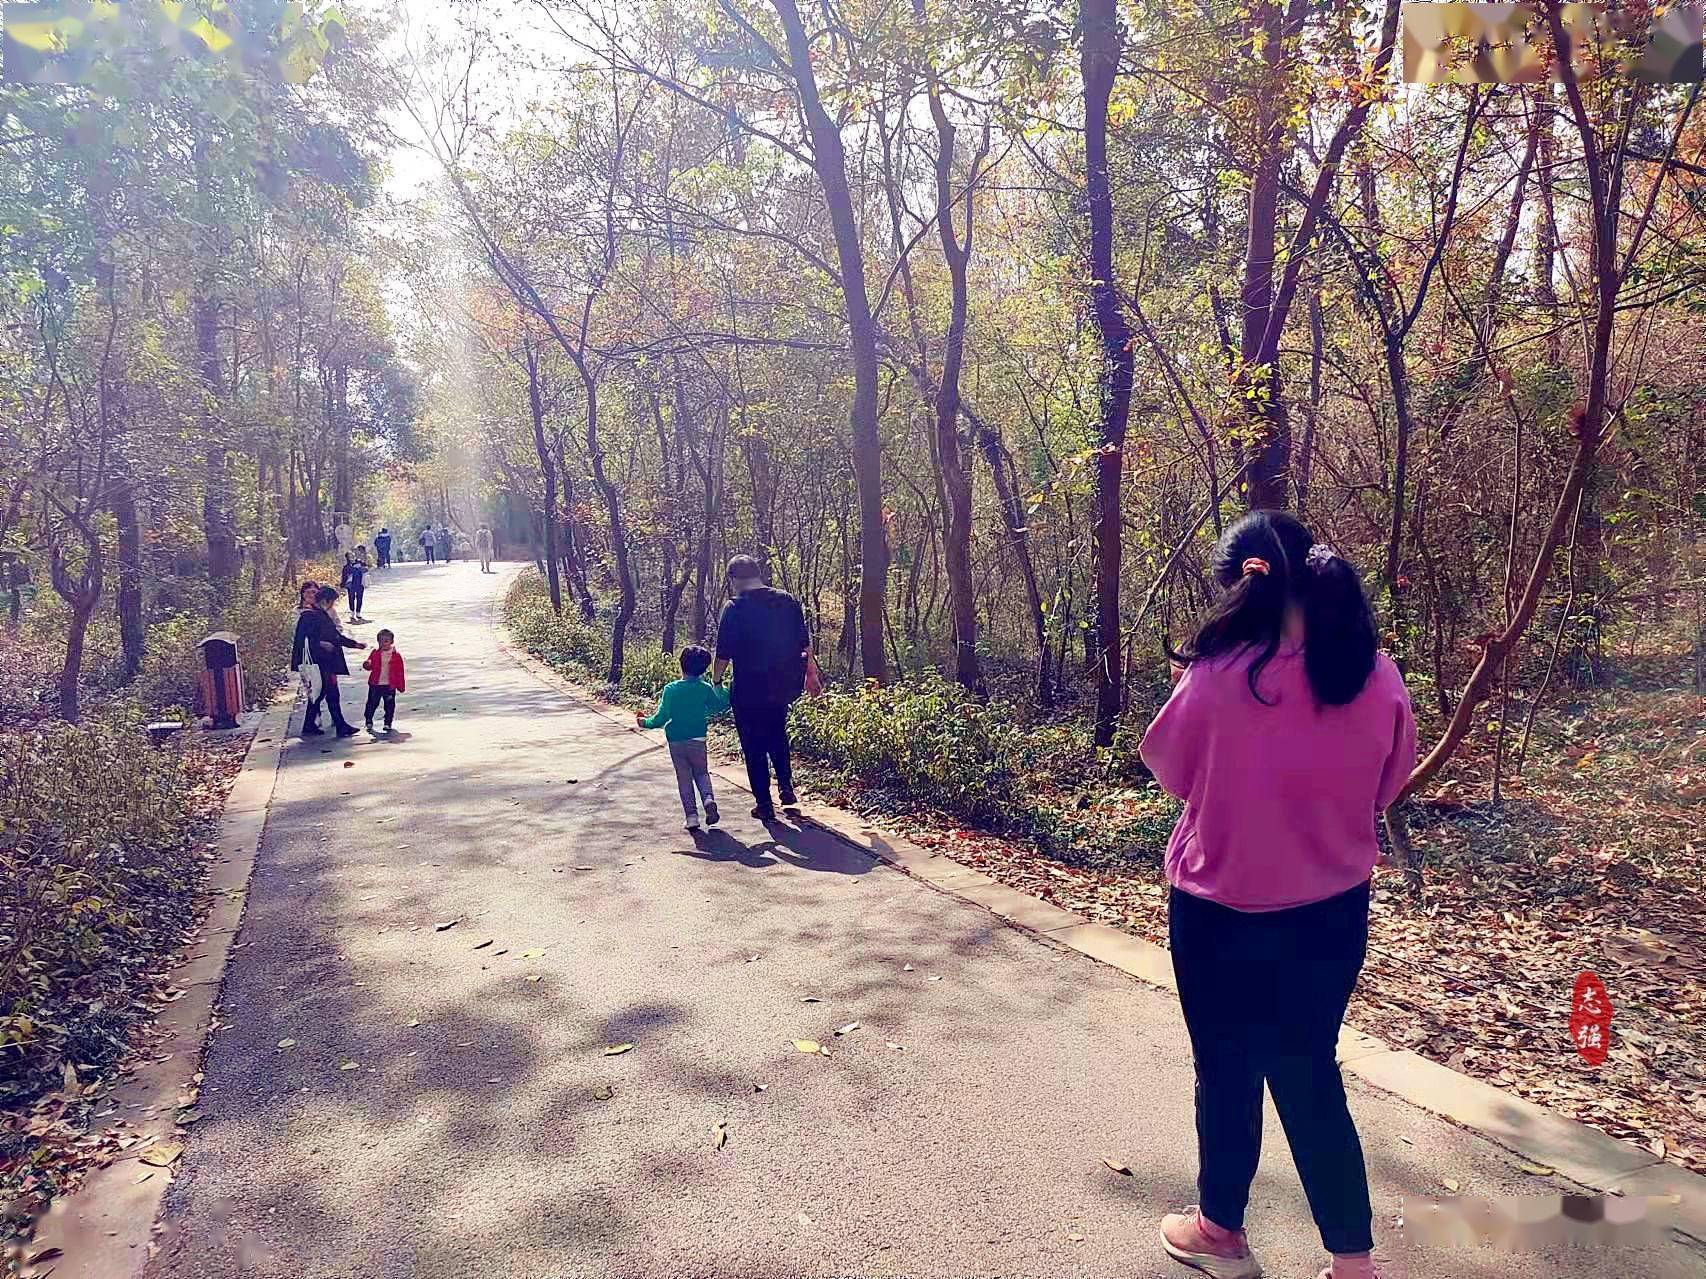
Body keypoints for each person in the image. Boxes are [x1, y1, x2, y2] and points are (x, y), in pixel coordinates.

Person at [1140, 511, 1416, 1279]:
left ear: (1239, 584)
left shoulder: (1215, 673)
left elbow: (1172, 772)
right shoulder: (1376, 673)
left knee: (1225, 1067)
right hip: (1330, 913)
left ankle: (1220, 1233)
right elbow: (1389, 784)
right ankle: (1353, 1264)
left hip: (1218, 908)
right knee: (1307, 1070)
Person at [711, 555, 810, 821]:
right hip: (782, 685)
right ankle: (786, 787)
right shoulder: (787, 601)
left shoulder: (734, 608)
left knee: (753, 744)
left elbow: (723, 654)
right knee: (777, 732)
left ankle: (764, 804)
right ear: (758, 573)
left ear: (734, 579)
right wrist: (807, 676)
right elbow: (805, 644)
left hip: (748, 688)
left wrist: (716, 681)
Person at [635, 645, 730, 830]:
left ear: (681, 664)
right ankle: (708, 799)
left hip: (676, 741)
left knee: (684, 778)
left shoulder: (671, 689)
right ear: (704, 669)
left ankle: (692, 817)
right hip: (698, 739)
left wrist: (644, 722)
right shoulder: (705, 688)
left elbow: (660, 718)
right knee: (701, 772)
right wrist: (722, 691)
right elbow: (720, 706)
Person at [302, 586, 367, 738]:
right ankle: (338, 725)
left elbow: (334, 636)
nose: (332, 606)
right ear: (325, 601)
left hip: (325, 661)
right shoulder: (310, 616)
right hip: (321, 661)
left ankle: (314, 724)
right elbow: (304, 639)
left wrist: (354, 644)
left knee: (323, 693)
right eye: (332, 602)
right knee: (327, 692)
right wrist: (320, 644)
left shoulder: (319, 614)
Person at [288, 580, 323, 735]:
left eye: (314, 592)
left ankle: (317, 719)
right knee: (313, 687)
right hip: (306, 656)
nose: (310, 595)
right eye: (307, 592)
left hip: (321, 655)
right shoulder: (299, 612)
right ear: (302, 594)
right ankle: (310, 723)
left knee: (322, 688)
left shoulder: (321, 609)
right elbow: (297, 635)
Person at [361, 628, 406, 733]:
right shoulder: (375, 653)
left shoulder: (396, 655)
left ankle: (387, 722)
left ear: (391, 642)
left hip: (389, 685)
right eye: (381, 641)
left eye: (386, 641)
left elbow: (400, 671)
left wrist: (400, 685)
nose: (384, 643)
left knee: (389, 704)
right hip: (375, 683)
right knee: (372, 702)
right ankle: (368, 719)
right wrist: (367, 664)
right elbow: (370, 665)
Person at [339, 552, 367, 623]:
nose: (351, 557)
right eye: (349, 556)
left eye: (352, 555)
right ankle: (352, 612)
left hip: (360, 583)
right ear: (347, 558)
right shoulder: (346, 567)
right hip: (351, 585)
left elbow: (366, 569)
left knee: (359, 598)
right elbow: (344, 576)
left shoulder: (360, 563)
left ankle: (358, 612)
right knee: (351, 598)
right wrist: (342, 585)